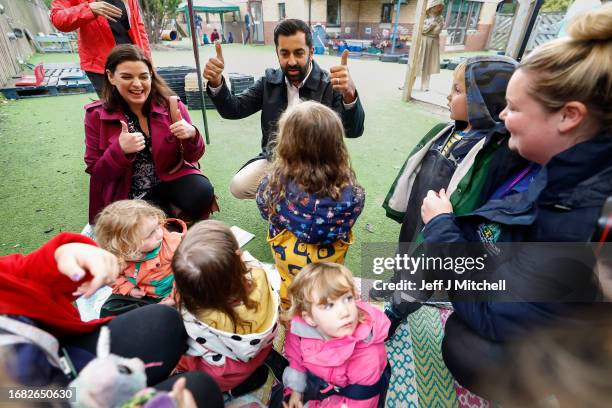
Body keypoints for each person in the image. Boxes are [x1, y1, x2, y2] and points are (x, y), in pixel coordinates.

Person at [419, 4, 612, 396]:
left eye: (516, 107)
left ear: (569, 116)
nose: (503, 115)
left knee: (467, 341)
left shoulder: (580, 213)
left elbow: (496, 313)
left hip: (566, 365)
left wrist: (441, 229)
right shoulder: (570, 175)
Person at [377, 56, 521, 337]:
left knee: (423, 272)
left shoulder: (488, 151)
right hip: (419, 211)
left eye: (457, 90)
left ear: (482, 101)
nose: (448, 95)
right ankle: (395, 279)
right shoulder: (450, 131)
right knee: (405, 249)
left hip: (443, 221)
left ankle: (396, 312)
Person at [0, 232, 224, 407]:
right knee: (200, 389)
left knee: (164, 321)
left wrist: (60, 256)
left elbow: (17, 274)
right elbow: (17, 395)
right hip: (52, 393)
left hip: (61, 367)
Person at [203, 18, 365, 200]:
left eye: (299, 53)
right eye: (285, 54)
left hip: (320, 167)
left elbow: (354, 131)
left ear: (311, 52)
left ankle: (303, 202)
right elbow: (234, 109)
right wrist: (216, 82)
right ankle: (285, 204)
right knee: (239, 186)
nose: (292, 61)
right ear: (277, 53)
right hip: (278, 161)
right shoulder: (269, 82)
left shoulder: (329, 85)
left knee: (329, 198)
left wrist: (350, 94)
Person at [84, 44, 217, 227]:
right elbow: (97, 173)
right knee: (139, 228)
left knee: (202, 192)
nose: (137, 84)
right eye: (127, 77)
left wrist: (192, 135)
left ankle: (166, 210)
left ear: (151, 77)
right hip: (128, 191)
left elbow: (193, 156)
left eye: (143, 76)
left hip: (168, 179)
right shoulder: (96, 116)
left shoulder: (172, 106)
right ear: (111, 77)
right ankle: (167, 212)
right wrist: (119, 150)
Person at [256, 102, 365, 309]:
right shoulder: (354, 195)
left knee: (290, 294)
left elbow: (263, 209)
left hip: (289, 270)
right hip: (327, 274)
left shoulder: (272, 185)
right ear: (337, 147)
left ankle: (288, 319)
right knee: (324, 294)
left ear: (286, 146)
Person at [172, 220, 280, 394]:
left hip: (226, 373)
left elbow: (192, 346)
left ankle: (230, 389)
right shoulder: (262, 275)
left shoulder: (195, 315)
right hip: (261, 349)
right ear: (238, 255)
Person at [282, 262, 391, 407]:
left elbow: (363, 398)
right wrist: (296, 389)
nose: (345, 312)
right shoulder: (300, 329)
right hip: (320, 383)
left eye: (348, 298)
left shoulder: (366, 356)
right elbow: (295, 356)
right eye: (329, 305)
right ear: (309, 318)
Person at [93, 200, 185, 317]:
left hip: (178, 289)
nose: (159, 233)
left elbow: (186, 271)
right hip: (145, 296)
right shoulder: (118, 259)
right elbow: (112, 277)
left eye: (158, 226)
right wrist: (129, 289)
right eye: (150, 233)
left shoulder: (172, 245)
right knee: (110, 309)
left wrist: (175, 297)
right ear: (127, 246)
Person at [50, 0, 151, 97]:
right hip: (101, 66)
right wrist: (89, 9)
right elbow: (58, 19)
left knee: (140, 105)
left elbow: (139, 27)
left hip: (134, 62)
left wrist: (147, 60)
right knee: (114, 109)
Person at [418, 0, 444, 91]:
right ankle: (409, 83)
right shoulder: (423, 16)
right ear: (431, 6)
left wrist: (428, 28)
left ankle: (425, 85)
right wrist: (431, 26)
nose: (438, 8)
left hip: (432, 42)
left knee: (428, 64)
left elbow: (436, 32)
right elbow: (422, 30)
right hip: (421, 41)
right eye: (437, 6)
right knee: (416, 62)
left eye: (440, 6)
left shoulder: (440, 18)